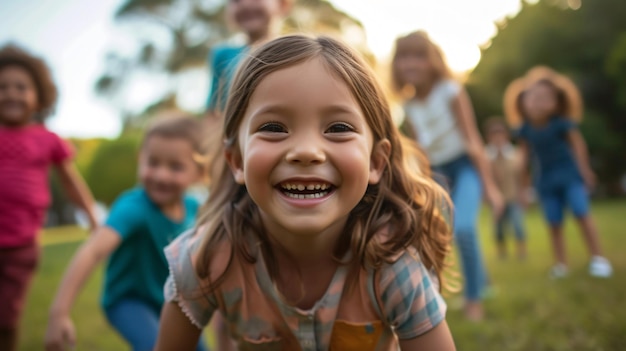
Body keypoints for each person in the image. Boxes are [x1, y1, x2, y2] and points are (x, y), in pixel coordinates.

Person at [155, 35, 457, 350]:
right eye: (274, 128)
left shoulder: (393, 265)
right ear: (237, 160)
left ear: (375, 161)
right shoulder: (207, 259)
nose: (306, 151)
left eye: (338, 128)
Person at [45, 116, 210, 351]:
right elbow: (93, 251)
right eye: (153, 163)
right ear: (140, 160)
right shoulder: (133, 208)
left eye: (175, 167)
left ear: (199, 173)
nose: (161, 175)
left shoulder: (194, 208)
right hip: (129, 301)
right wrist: (58, 312)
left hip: (173, 301)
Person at [391, 31, 503, 321]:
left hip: (464, 166)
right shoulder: (409, 106)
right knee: (436, 234)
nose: (410, 64)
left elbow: (473, 139)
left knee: (464, 228)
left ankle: (474, 298)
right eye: (404, 57)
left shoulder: (451, 90)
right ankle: (477, 282)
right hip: (437, 174)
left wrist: (490, 186)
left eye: (418, 56)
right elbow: (420, 154)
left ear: (432, 60)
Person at [0, 44, 98, 351]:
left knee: (7, 318)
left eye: (21, 87)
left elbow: (71, 182)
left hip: (22, 245)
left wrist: (93, 218)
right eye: (2, 87)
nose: (11, 94)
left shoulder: (47, 139)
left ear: (39, 95)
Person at [504, 66, 613, 279]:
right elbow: (523, 160)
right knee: (553, 222)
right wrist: (523, 187)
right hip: (545, 181)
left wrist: (585, 171)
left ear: (556, 103)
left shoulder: (562, 124)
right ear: (523, 100)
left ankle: (598, 259)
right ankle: (561, 264)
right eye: (533, 97)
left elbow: (578, 146)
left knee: (582, 213)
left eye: (545, 98)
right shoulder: (524, 130)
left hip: (569, 176)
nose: (538, 102)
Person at [206, 0, 293, 115]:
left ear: (283, 4)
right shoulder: (221, 55)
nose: (245, 4)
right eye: (236, 1)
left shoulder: (296, 53)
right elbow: (213, 112)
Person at [484, 117, 527, 260]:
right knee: (499, 229)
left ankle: (521, 250)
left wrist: (524, 193)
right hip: (497, 199)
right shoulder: (486, 157)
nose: (497, 138)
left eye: (500, 135)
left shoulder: (514, 154)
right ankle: (502, 251)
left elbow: (521, 176)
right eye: (494, 135)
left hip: (513, 196)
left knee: (517, 225)